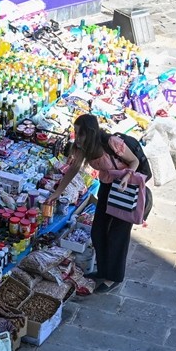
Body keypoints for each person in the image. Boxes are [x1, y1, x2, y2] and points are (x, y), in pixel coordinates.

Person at [47, 114, 140, 293]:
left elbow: (134, 161)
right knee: (98, 231)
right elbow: (74, 169)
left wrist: (127, 177)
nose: (76, 137)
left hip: (124, 188)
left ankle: (113, 277)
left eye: (79, 133)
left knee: (117, 233)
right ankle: (103, 270)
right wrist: (57, 193)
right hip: (107, 187)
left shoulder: (111, 142)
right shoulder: (84, 147)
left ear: (89, 132)